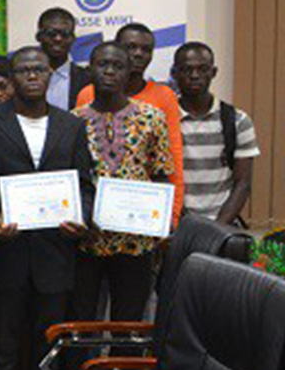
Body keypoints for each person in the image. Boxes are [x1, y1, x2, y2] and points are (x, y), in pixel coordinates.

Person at [0, 46, 93, 370]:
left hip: (55, 253)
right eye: (24, 70)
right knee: (3, 346)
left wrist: (82, 219)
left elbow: (84, 185)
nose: (33, 76)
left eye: (39, 69)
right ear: (12, 78)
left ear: (50, 75)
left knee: (47, 348)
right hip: (6, 253)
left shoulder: (71, 125)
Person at [71, 42, 174, 335]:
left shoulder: (152, 117)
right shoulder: (72, 121)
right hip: (86, 240)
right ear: (90, 70)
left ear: (130, 72)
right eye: (102, 64)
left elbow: (162, 175)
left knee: (128, 325)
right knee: (83, 322)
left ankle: (124, 366)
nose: (109, 71)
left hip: (135, 241)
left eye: (118, 66)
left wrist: (160, 223)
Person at [76, 23, 185, 224]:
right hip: (91, 224)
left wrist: (171, 216)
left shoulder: (157, 107)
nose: (138, 54)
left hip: (139, 220)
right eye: (131, 47)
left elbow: (171, 162)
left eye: (146, 49)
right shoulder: (82, 104)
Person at [172, 42, 259, 225]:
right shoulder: (162, 120)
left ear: (213, 72)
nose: (195, 76)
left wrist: (216, 229)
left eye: (203, 69)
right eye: (187, 70)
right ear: (174, 74)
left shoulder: (237, 121)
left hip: (222, 223)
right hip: (175, 225)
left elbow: (243, 184)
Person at [36, 8, 91, 111]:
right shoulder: (25, 77)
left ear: (73, 38)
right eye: (51, 33)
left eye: (65, 34)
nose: (58, 39)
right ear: (39, 37)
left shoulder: (87, 79)